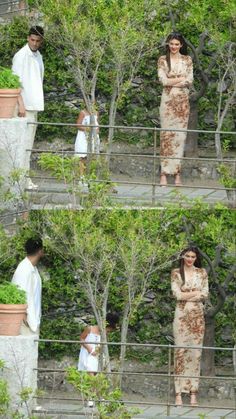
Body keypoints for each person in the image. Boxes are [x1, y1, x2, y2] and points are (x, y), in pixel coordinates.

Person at [171, 246, 209, 407]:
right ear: (183, 256)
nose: (190, 259)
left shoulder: (202, 273)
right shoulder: (176, 273)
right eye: (187, 256)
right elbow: (177, 295)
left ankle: (193, 392)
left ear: (196, 258)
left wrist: (188, 296)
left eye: (193, 256)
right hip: (181, 316)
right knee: (180, 352)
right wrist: (195, 294)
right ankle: (178, 393)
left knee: (195, 352)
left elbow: (205, 293)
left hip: (197, 317)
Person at [157, 32, 193, 186]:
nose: (173, 47)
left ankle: (177, 173)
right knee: (166, 137)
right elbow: (163, 81)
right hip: (167, 102)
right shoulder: (163, 60)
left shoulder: (187, 60)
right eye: (171, 44)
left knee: (179, 137)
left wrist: (174, 82)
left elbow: (190, 80)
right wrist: (180, 80)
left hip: (182, 103)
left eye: (177, 44)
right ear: (168, 44)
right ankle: (164, 173)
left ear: (181, 45)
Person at [12, 26, 45, 189]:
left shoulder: (38, 56)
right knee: (22, 145)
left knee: (28, 145)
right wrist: (21, 104)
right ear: (28, 38)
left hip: (33, 106)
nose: (35, 43)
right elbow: (15, 81)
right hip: (23, 107)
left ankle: (24, 179)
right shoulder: (21, 56)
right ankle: (21, 180)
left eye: (38, 40)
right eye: (32, 39)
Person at [78, 313, 119, 407]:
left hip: (97, 355)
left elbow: (102, 344)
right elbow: (81, 339)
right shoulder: (89, 328)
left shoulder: (105, 332)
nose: (108, 332)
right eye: (109, 329)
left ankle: (98, 396)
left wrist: (98, 351)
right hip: (88, 354)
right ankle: (91, 398)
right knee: (91, 376)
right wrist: (90, 349)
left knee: (99, 377)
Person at [12, 237, 43, 335]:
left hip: (33, 322)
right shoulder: (24, 269)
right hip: (25, 324)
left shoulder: (32, 268)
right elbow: (16, 294)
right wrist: (25, 318)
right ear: (40, 251)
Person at [74, 105, 100, 175]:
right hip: (83, 137)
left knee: (92, 156)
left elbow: (97, 125)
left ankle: (90, 175)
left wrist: (96, 131)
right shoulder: (83, 113)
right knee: (82, 156)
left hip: (93, 137)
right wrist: (87, 129)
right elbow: (78, 125)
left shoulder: (96, 113)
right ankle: (82, 176)